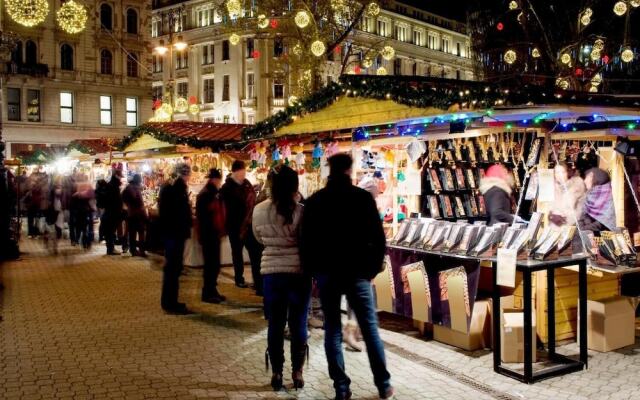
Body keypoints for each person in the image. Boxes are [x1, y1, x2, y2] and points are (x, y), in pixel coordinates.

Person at [301, 154, 393, 400]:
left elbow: (306, 241)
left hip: (327, 274)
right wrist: (372, 269)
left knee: (333, 329)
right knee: (369, 328)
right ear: (349, 171)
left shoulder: (316, 201)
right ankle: (383, 385)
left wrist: (314, 271)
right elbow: (378, 237)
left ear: (329, 170)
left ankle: (341, 388)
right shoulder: (362, 198)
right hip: (358, 273)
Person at [253, 165, 311, 392]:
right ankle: (297, 372)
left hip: (271, 274)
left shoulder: (259, 210)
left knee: (275, 324)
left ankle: (277, 372)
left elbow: (259, 238)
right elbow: (306, 241)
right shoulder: (301, 211)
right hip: (298, 274)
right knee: (298, 323)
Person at [221, 160, 263, 294]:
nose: (244, 174)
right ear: (235, 171)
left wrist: (254, 191)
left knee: (254, 252)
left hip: (248, 225)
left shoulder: (246, 183)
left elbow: (250, 197)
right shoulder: (227, 187)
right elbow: (227, 206)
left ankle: (257, 281)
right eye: (242, 171)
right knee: (237, 252)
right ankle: (239, 278)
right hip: (234, 225)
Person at [159, 164, 193, 314]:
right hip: (175, 234)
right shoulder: (177, 189)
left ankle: (170, 302)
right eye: (188, 175)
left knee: (172, 269)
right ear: (183, 175)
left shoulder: (169, 187)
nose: (189, 177)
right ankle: (171, 303)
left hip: (171, 233)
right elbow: (178, 213)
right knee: (173, 269)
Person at [196, 169, 226, 303]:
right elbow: (205, 217)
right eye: (220, 180)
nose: (221, 183)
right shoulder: (207, 194)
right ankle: (208, 292)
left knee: (214, 264)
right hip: (209, 234)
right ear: (215, 180)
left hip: (212, 233)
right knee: (211, 265)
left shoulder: (211, 193)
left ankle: (212, 290)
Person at [548, 162, 586, 229]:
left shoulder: (577, 184)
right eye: (557, 172)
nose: (560, 175)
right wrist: (551, 216)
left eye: (563, 172)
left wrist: (566, 219)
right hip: (553, 227)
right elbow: (547, 207)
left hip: (572, 226)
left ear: (567, 172)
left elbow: (582, 207)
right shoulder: (551, 186)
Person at [579, 167, 617, 232]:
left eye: (588, 177)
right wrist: (581, 226)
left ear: (596, 178)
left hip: (603, 236)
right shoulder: (590, 194)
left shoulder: (608, 196)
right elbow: (583, 215)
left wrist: (584, 228)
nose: (585, 181)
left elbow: (604, 223)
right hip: (587, 232)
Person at [122, 174, 148, 257]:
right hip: (138, 214)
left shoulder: (128, 187)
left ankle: (133, 250)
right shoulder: (136, 188)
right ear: (139, 181)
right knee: (141, 232)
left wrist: (127, 205)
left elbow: (122, 197)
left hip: (130, 213)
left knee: (132, 232)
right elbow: (140, 203)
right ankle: (141, 251)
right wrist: (145, 215)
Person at [102, 167, 124, 255]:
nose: (121, 178)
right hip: (113, 212)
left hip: (109, 211)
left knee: (110, 230)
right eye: (120, 176)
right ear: (116, 176)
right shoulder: (114, 186)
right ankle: (111, 249)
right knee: (111, 230)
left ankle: (110, 248)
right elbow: (116, 200)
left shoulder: (111, 185)